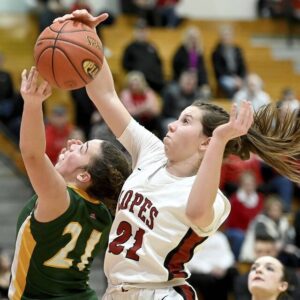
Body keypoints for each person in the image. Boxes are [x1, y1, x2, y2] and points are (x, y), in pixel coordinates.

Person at [55, 10, 300, 300]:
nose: (172, 123)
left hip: (160, 293)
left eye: (185, 121)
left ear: (205, 143)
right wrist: (90, 39)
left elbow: (196, 211)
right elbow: (104, 96)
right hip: (116, 291)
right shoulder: (151, 151)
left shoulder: (215, 200)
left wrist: (221, 137)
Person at [8, 67, 131, 299]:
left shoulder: (60, 199)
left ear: (84, 177)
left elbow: (32, 154)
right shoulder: (103, 211)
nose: (73, 142)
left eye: (82, 148)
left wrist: (33, 104)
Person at [212, 24, 247, 99]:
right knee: (231, 86)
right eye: (225, 35)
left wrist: (241, 78)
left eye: (229, 35)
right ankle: (233, 103)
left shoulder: (237, 49)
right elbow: (219, 70)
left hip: (238, 77)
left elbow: (243, 66)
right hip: (224, 76)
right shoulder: (216, 51)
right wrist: (234, 79)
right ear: (221, 37)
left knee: (252, 83)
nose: (227, 38)